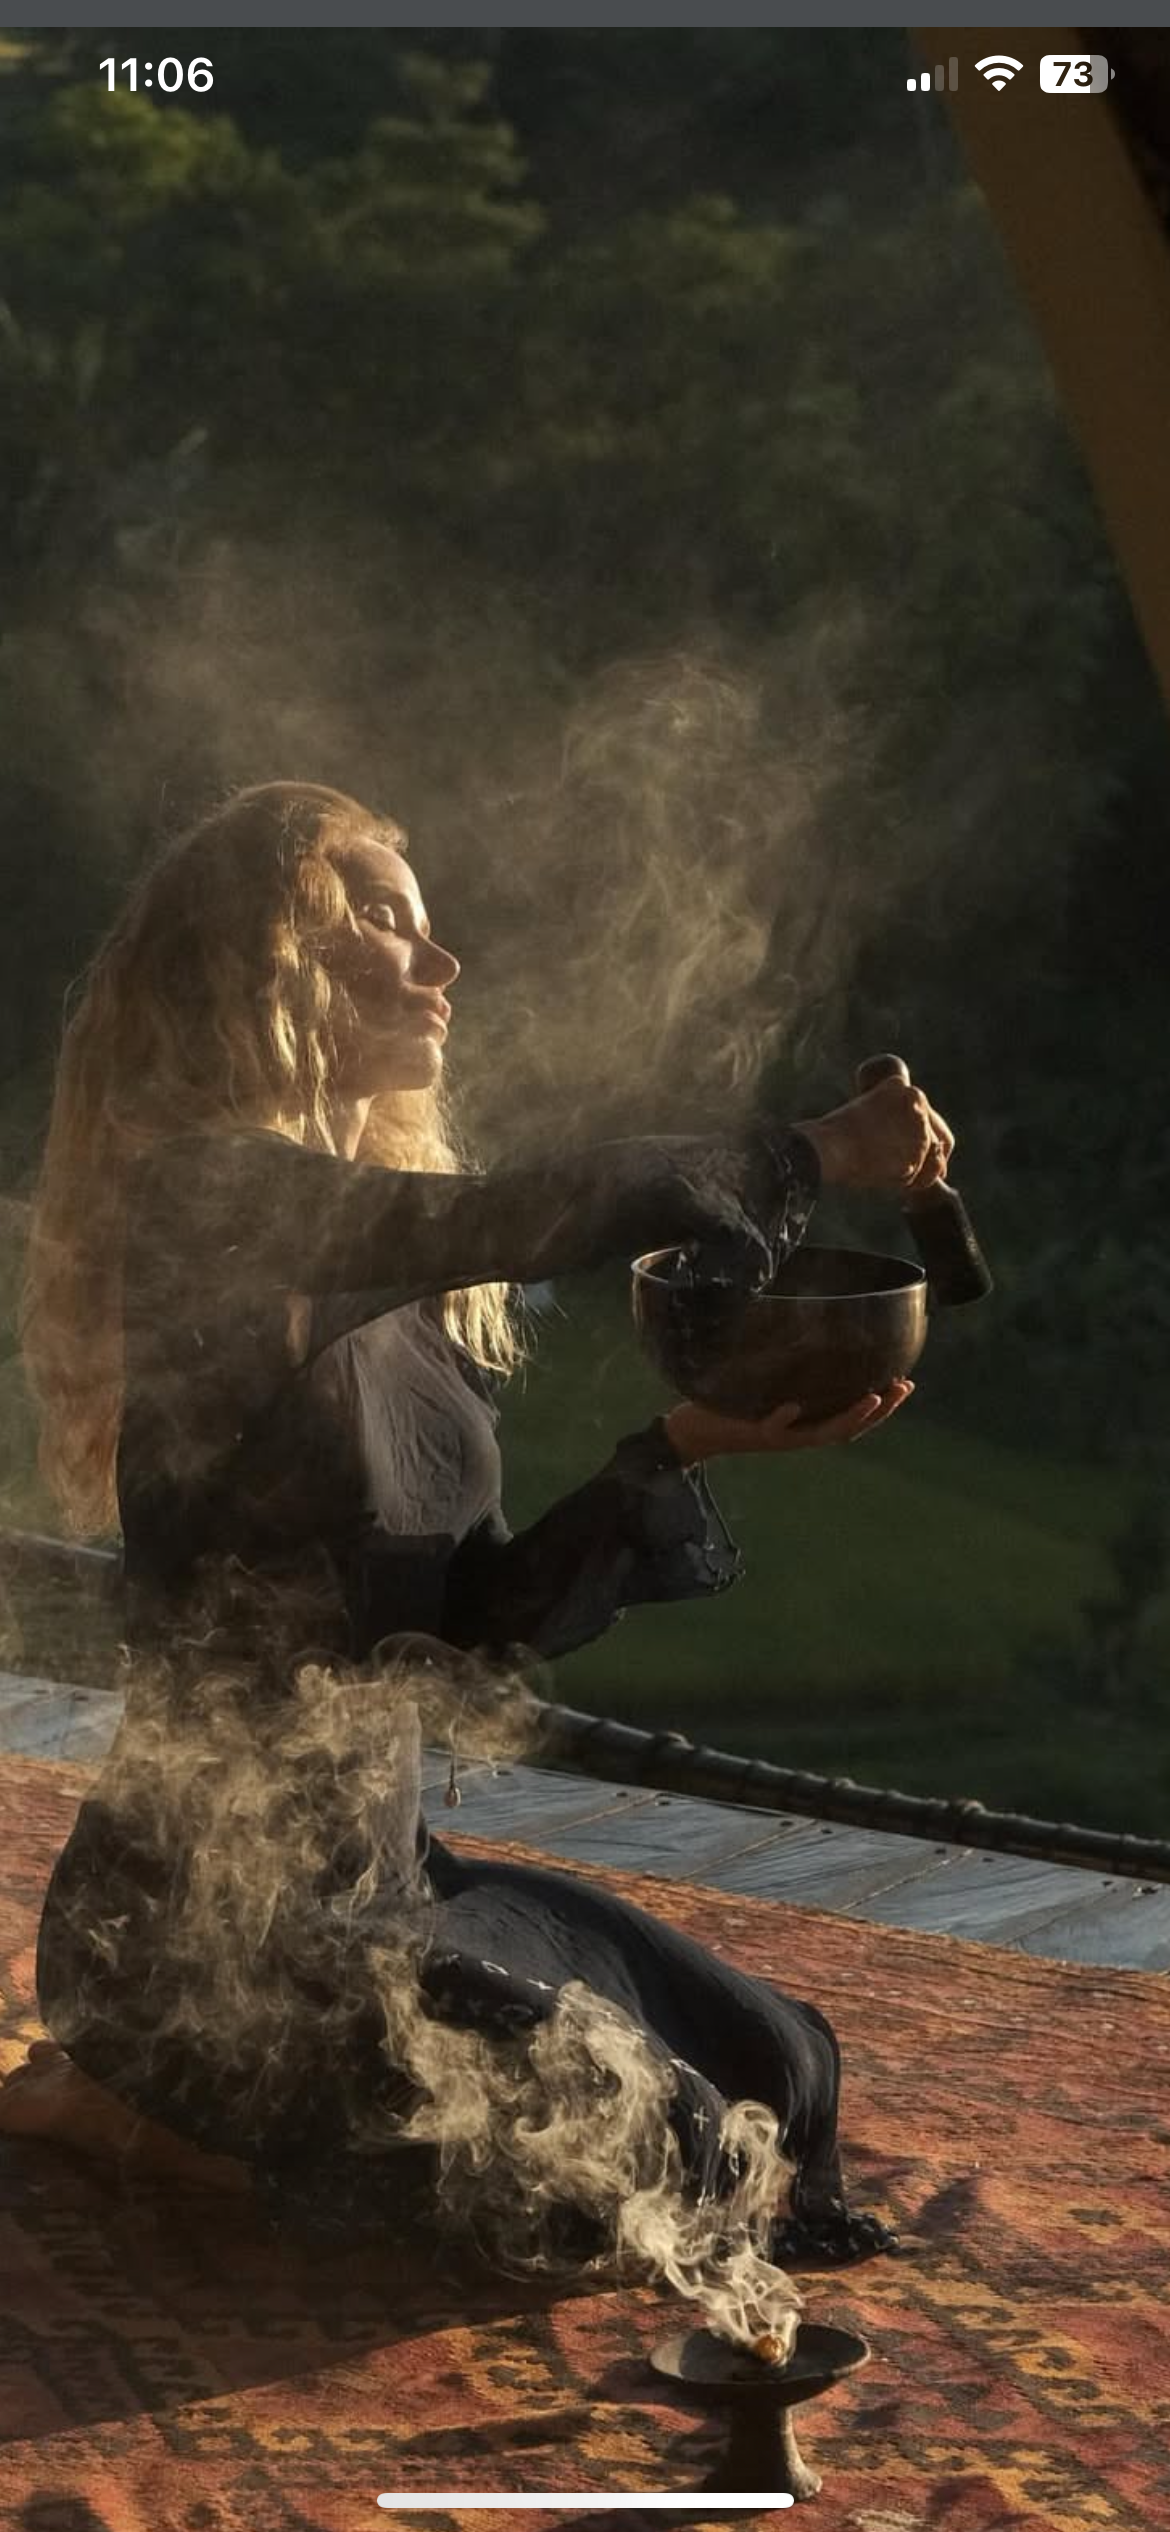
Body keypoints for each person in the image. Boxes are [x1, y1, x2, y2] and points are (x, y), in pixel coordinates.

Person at [1, 780, 953, 2270]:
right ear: (258, 957)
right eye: (380, 919)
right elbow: (522, 1209)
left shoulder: (407, 1310)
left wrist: (679, 1446)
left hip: (376, 1886)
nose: (438, 966)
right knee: (645, 2168)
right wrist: (805, 1153)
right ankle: (127, 2105)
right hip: (200, 1941)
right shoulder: (206, 1202)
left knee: (775, 2069)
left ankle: (193, 2123)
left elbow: (473, 1627)